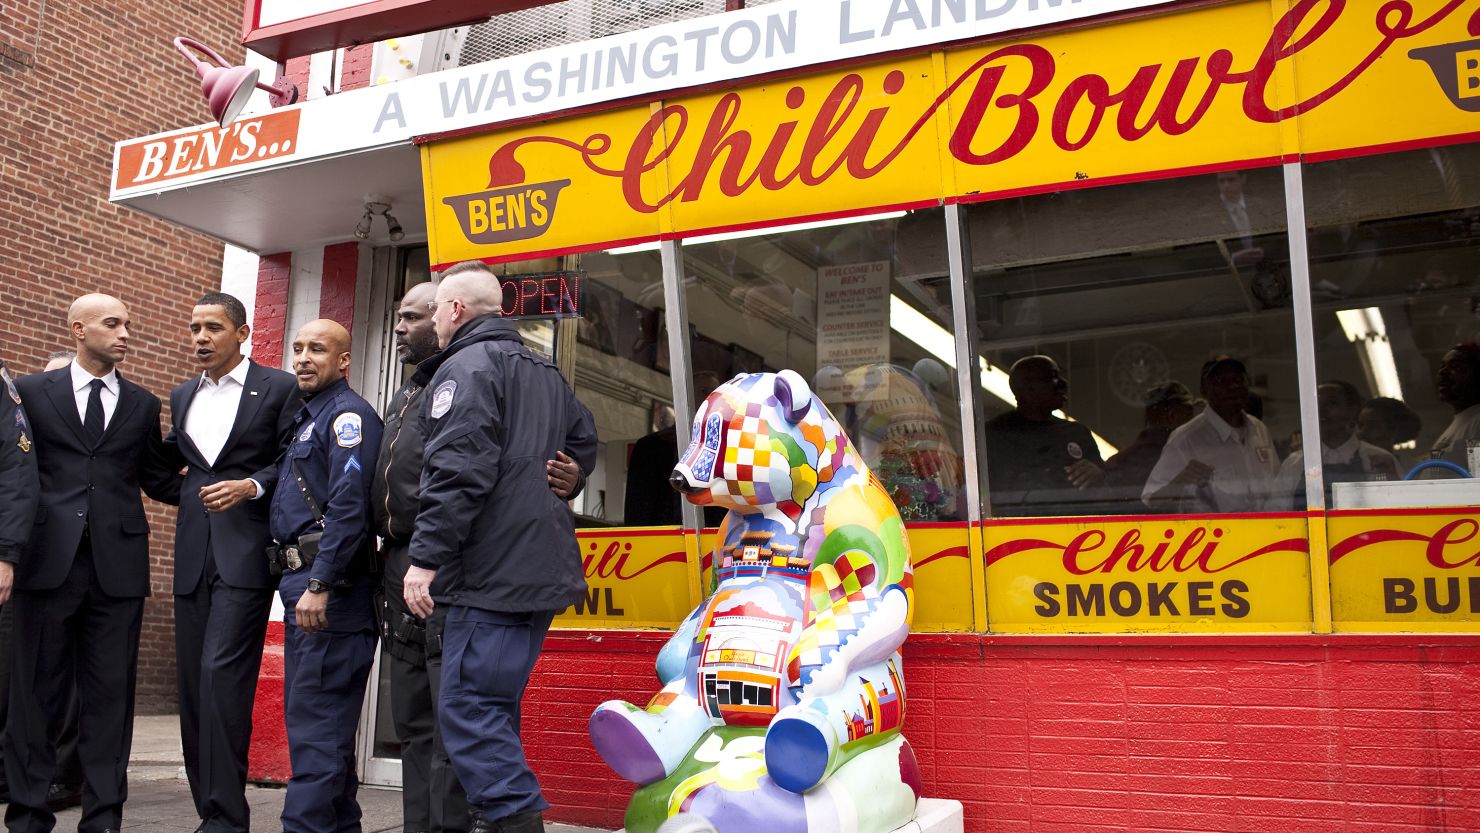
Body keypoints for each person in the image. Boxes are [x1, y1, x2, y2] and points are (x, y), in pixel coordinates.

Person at [373, 281, 583, 833]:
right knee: (492, 711)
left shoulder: (464, 368)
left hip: (486, 576)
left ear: (455, 309)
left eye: (438, 308)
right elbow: (581, 440)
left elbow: (457, 473)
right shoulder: (545, 371)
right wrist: (573, 474)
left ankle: (515, 823)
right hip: (538, 574)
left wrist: (425, 559)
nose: (435, 320)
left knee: (467, 714)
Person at [6, 294, 179, 833]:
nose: (126, 332)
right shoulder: (30, 392)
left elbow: (156, 476)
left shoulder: (143, 404)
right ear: (78, 329)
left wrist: (226, 481)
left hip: (118, 568)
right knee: (35, 695)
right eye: (113, 324)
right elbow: (13, 470)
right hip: (44, 562)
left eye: (129, 323)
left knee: (110, 698)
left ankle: (103, 817)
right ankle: (29, 814)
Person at [164, 292, 300, 833]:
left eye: (213, 328)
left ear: (243, 333)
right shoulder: (180, 396)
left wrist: (251, 485)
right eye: (195, 327)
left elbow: (292, 458)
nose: (201, 337)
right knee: (194, 688)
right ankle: (209, 812)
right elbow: (174, 462)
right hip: (192, 551)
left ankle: (225, 818)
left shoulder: (279, 387)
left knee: (223, 679)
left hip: (245, 554)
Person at [269, 319, 383, 833]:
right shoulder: (307, 417)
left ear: (344, 361)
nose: (303, 358)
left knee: (316, 733)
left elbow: (349, 507)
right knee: (323, 732)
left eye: (317, 348)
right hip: (307, 584)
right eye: (297, 348)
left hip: (330, 591)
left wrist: (320, 584)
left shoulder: (346, 417)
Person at [0, 350, 82, 813]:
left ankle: (62, 774)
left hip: (57, 556)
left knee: (61, 677)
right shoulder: (21, 413)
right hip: (27, 554)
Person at [1142, 356, 1279, 513]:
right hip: (1216, 534)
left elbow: (1279, 488)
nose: (1233, 386)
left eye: (1238, 379)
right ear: (1204, 390)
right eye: (1221, 381)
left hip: (1269, 532)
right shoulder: (1185, 439)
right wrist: (1180, 481)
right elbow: (1152, 500)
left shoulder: (1259, 429)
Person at [983, 355, 1105, 516]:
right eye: (1053, 377)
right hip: (1017, 534)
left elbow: (1109, 492)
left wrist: (1099, 475)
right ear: (1029, 388)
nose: (1063, 383)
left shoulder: (1077, 433)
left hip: (1077, 531)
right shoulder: (994, 435)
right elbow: (986, 498)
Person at [1272, 380, 1399, 508]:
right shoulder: (1294, 464)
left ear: (1352, 410)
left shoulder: (1379, 459)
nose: (1321, 410)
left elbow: (1398, 508)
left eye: (1332, 403)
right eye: (1317, 403)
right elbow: (1276, 514)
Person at [623, 370, 722, 526]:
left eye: (715, 393)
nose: (710, 397)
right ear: (685, 396)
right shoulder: (651, 446)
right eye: (703, 391)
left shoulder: (723, 447)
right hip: (661, 539)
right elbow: (638, 504)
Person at [1102, 380, 1196, 500]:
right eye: (1189, 414)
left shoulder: (1117, 462)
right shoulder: (1185, 461)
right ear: (1172, 415)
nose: (1193, 422)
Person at [1430, 342, 1480, 470]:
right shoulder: (1465, 421)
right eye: (1442, 366)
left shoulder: (1477, 422)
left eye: (1456, 367)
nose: (1442, 373)